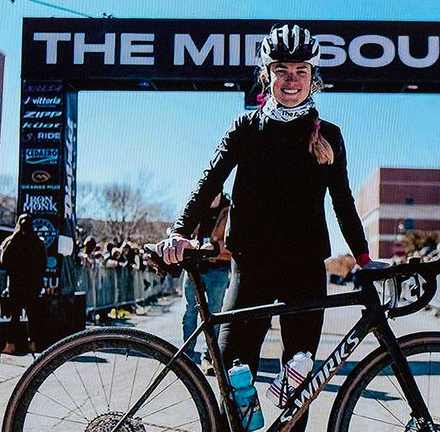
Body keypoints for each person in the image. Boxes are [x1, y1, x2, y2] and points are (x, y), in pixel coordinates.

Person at [158, 24, 369, 431]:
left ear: (313, 78)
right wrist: (180, 230)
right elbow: (209, 181)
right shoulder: (245, 128)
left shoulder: (329, 137)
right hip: (251, 266)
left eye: (301, 72)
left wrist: (363, 257)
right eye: (282, 71)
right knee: (234, 377)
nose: (291, 81)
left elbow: (343, 202)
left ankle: (287, 399)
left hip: (306, 268)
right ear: (266, 75)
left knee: (300, 384)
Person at [181, 191, 232, 374]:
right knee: (190, 310)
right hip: (195, 265)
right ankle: (187, 355)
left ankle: (209, 357)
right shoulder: (197, 205)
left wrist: (216, 247)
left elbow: (235, 241)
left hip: (218, 268)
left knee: (215, 314)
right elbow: (185, 232)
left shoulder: (229, 209)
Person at [0, 214, 47, 353]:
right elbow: (43, 263)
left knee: (14, 315)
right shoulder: (38, 242)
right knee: (33, 315)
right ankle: (33, 344)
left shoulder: (12, 240)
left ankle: (10, 345)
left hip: (16, 283)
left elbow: (3, 259)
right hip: (33, 283)